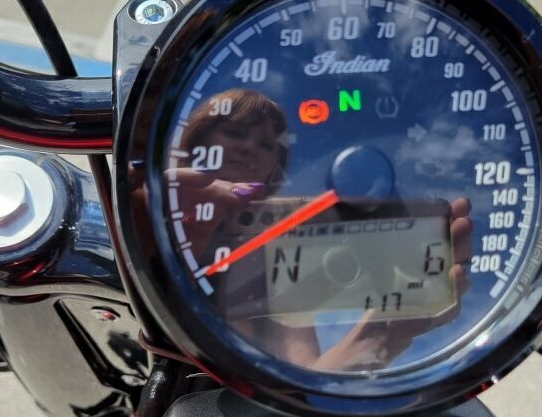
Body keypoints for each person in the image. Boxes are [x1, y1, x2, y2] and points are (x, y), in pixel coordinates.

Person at [171, 88, 472, 371]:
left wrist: (383, 334)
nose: (249, 148)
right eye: (235, 132)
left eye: (265, 144)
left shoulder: (281, 257)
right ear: (198, 141)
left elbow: (308, 376)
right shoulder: (154, 212)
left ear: (275, 166)